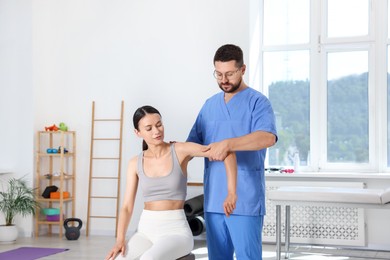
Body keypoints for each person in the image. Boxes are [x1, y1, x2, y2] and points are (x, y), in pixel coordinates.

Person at [105, 105, 237, 260]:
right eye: (149, 128)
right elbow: (127, 207)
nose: (156, 131)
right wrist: (120, 239)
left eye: (159, 124)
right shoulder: (135, 162)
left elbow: (226, 153)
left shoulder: (180, 150)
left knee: (149, 259)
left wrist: (232, 192)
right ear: (138, 133)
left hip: (176, 232)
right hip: (145, 232)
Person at [187, 44, 278, 260]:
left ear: (243, 69)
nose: (223, 80)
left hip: (244, 197)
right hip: (213, 199)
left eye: (229, 74)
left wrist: (228, 144)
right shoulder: (209, 105)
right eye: (218, 74)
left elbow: (268, 137)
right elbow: (193, 144)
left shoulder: (258, 102)